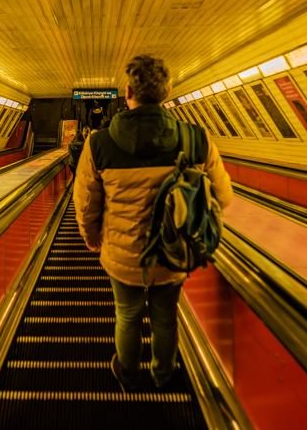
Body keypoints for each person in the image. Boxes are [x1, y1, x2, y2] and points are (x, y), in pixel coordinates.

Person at [74, 55, 233, 392]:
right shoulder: (196, 139)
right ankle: (163, 375)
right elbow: (223, 195)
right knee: (165, 317)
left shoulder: (98, 144)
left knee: (127, 316)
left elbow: (86, 202)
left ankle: (128, 375)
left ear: (127, 92)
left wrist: (90, 237)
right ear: (168, 91)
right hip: (173, 252)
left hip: (122, 254)